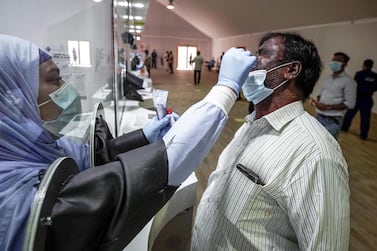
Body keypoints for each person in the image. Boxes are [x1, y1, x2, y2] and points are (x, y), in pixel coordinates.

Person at [0, 34, 255, 251]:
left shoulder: (32, 145)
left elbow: (90, 159)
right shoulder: (13, 195)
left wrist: (145, 136)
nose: (66, 87)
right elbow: (116, 188)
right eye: (54, 79)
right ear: (14, 98)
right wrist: (226, 89)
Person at [191, 32, 350, 251]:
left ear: (291, 70)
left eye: (262, 55)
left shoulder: (315, 155)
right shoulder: (251, 125)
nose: (250, 63)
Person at [311, 51, 356, 139]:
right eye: (333, 60)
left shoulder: (349, 82)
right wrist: (317, 100)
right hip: (319, 116)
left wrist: (328, 107)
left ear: (345, 64)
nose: (334, 62)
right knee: (314, 142)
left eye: (338, 60)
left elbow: (350, 104)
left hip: (333, 120)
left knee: (328, 146)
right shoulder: (328, 78)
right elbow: (323, 95)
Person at [342, 59, 377, 140]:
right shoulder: (375, 76)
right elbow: (375, 87)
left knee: (350, 113)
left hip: (358, 97)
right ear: (371, 66)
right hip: (368, 98)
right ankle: (363, 135)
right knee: (365, 117)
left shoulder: (359, 74)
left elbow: (354, 85)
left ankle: (344, 128)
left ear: (364, 65)